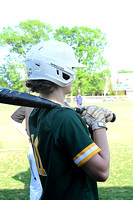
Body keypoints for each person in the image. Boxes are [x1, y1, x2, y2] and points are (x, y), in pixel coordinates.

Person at [25, 40, 113, 200]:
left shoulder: (36, 114)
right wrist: (98, 124)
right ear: (60, 72)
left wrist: (84, 122)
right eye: (71, 68)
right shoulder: (65, 118)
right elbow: (102, 171)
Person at [10, 106, 42, 200]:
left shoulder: (29, 102)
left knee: (37, 184)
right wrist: (26, 135)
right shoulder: (57, 101)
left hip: (35, 146)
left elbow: (13, 119)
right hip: (46, 146)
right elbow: (14, 118)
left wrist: (27, 135)